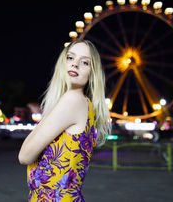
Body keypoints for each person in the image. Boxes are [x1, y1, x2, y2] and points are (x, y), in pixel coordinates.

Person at [18, 39, 111, 201]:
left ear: (92, 73)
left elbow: (24, 156)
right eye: (70, 58)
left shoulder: (72, 100)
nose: (75, 65)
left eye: (84, 62)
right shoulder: (87, 106)